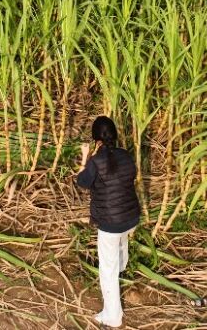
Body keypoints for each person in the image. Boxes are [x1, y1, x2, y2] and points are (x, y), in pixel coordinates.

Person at [75, 116, 141, 328]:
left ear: (97, 140)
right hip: (131, 217)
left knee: (107, 269)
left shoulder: (95, 161)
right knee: (121, 241)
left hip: (111, 225)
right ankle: (122, 266)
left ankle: (113, 317)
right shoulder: (126, 155)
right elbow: (130, 176)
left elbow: (82, 181)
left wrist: (86, 157)